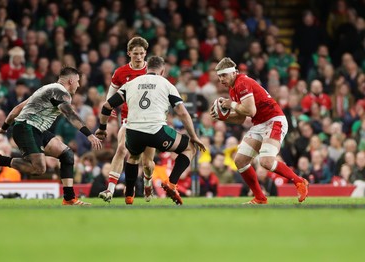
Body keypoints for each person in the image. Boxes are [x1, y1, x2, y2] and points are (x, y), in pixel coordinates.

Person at [0, 67, 102, 205]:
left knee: (67, 154)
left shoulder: (44, 89)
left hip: (35, 129)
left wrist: (3, 127)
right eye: (78, 81)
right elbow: (70, 114)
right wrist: (89, 135)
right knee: (39, 169)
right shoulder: (61, 92)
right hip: (26, 127)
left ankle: (69, 198)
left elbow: (18, 108)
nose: (79, 85)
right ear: (71, 80)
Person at [97, 56, 206, 205]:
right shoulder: (166, 84)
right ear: (162, 71)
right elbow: (181, 111)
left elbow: (106, 106)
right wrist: (194, 136)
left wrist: (102, 128)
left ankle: (129, 195)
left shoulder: (131, 84)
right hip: (156, 132)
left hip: (133, 132)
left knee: (133, 157)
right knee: (190, 148)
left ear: (147, 68)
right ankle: (171, 184)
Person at [210, 57, 309, 204]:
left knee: (266, 162)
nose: (221, 79)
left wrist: (231, 105)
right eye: (219, 76)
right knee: (240, 161)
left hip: (274, 120)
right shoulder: (233, 89)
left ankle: (299, 181)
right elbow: (241, 119)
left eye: (224, 75)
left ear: (233, 73)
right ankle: (260, 197)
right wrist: (223, 118)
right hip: (260, 123)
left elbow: (250, 110)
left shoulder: (242, 82)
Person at [95, 36, 157, 203]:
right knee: (122, 148)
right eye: (135, 53)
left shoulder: (152, 71)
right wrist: (110, 114)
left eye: (142, 53)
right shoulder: (120, 72)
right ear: (129, 53)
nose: (138, 57)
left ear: (146, 53)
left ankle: (148, 181)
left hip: (150, 120)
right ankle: (110, 190)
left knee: (147, 163)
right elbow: (111, 96)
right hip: (129, 119)